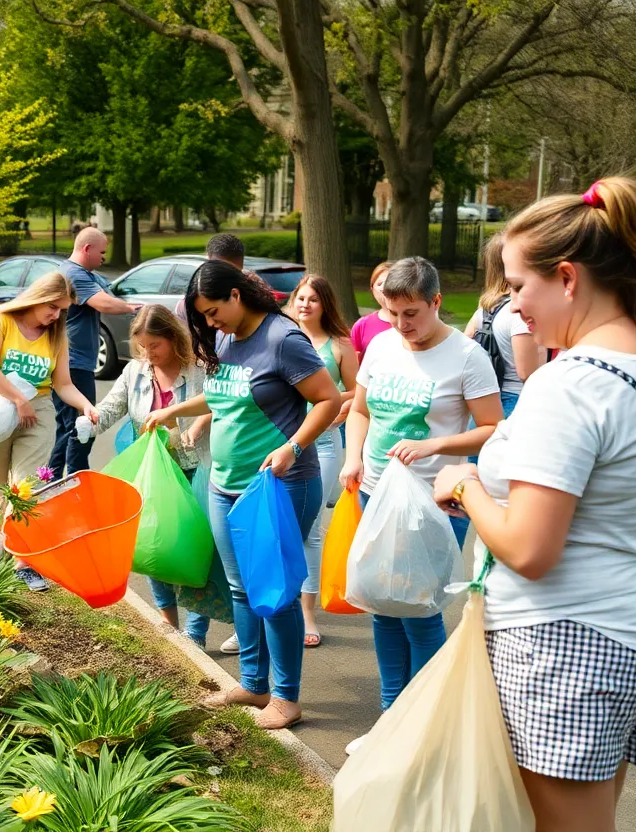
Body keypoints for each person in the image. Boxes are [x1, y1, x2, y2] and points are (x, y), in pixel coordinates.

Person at [431, 178, 636, 832]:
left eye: (516, 287)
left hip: (564, 643)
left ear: (567, 277)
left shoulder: (570, 385)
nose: (511, 308)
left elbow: (532, 551)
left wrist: (466, 486)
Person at [144, 260, 341, 729]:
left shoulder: (282, 339)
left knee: (275, 594)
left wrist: (293, 447)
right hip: (223, 483)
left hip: (278, 486)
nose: (211, 324)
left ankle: (287, 698)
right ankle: (254, 685)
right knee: (240, 588)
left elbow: (329, 399)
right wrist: (173, 412)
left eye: (214, 312)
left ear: (236, 295)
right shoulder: (227, 339)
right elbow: (221, 397)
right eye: (204, 317)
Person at [339, 256, 503, 753]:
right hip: (376, 491)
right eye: (391, 312)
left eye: (411, 313)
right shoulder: (383, 344)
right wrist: (352, 459)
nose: (400, 324)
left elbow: (494, 428)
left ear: (436, 302)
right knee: (383, 607)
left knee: (419, 610)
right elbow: (360, 411)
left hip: (436, 501)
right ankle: (392, 719)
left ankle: (425, 729)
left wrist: (434, 446)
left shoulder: (467, 356)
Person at [90, 304, 212, 646]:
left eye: (154, 345)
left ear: (173, 338)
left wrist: (199, 425)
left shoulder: (200, 369)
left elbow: (216, 402)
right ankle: (167, 621)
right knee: (152, 545)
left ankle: (197, 631)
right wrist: (90, 419)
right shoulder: (136, 372)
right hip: (153, 472)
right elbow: (113, 407)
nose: (148, 353)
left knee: (193, 549)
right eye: (142, 346)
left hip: (193, 469)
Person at [0, 273, 99, 592]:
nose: (57, 316)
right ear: (39, 297)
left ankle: (23, 563)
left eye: (62, 311)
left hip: (37, 411)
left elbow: (63, 384)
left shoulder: (57, 334)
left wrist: (86, 406)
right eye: (53, 308)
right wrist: (16, 400)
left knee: (28, 488)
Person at [289, 274, 358, 648]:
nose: (305, 305)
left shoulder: (341, 345)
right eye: (301, 298)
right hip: (280, 439)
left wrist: (339, 405)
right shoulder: (283, 337)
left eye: (313, 299)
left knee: (310, 529)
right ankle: (271, 608)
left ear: (324, 305)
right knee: (276, 524)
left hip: (325, 445)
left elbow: (357, 390)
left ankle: (307, 612)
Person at [49, 228, 138, 477]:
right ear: (86, 249)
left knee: (69, 426)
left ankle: (52, 477)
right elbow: (104, 303)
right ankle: (74, 475)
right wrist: (133, 308)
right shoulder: (72, 275)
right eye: (101, 252)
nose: (104, 257)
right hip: (73, 364)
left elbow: (109, 291)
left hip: (80, 362)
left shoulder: (87, 274)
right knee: (82, 425)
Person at [463, 233, 544, 418]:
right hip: (515, 401)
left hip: (486, 403)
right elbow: (526, 373)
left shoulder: (484, 309)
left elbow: (464, 346)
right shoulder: (518, 313)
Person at [350, 261, 394, 360]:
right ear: (372, 289)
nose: (384, 288)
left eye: (389, 283)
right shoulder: (362, 325)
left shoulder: (411, 324)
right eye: (379, 284)